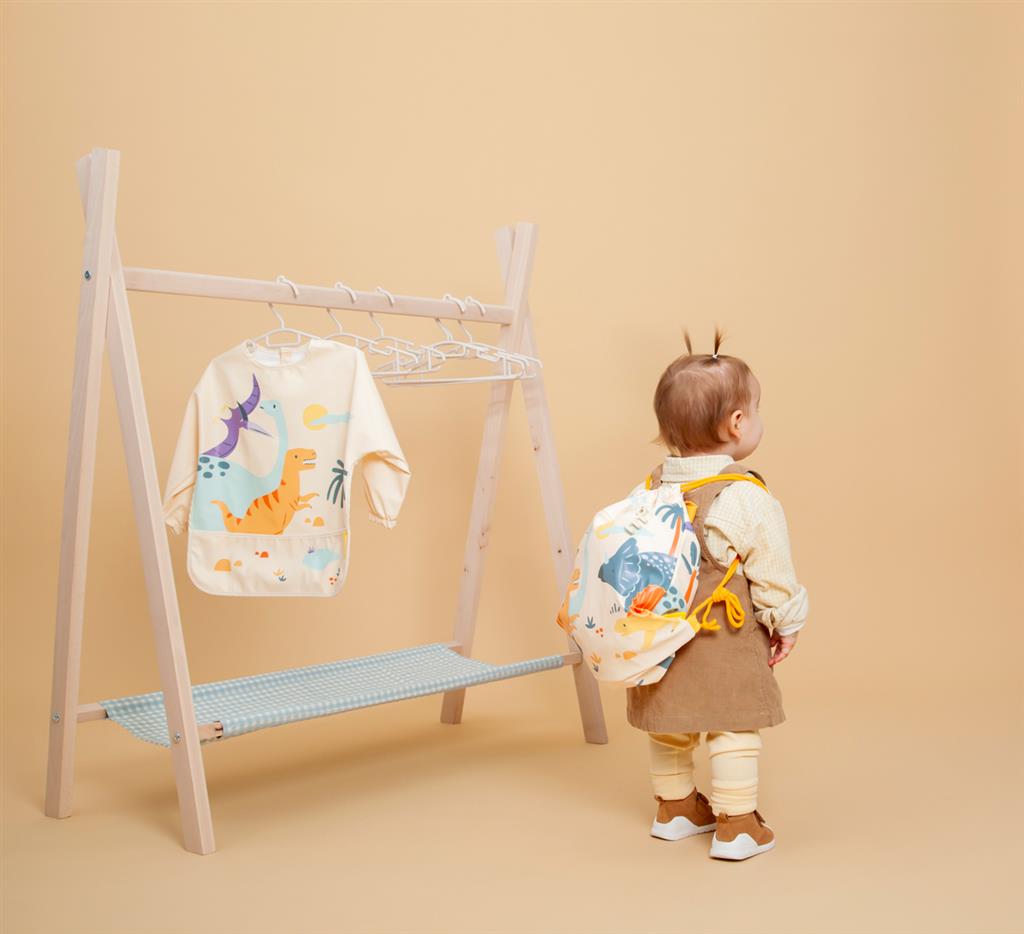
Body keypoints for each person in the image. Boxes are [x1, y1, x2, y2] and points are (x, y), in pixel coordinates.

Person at [627, 328, 808, 861]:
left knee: (670, 725)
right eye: (757, 409)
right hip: (721, 638)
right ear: (737, 423)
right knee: (733, 725)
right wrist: (785, 622)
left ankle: (675, 809)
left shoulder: (649, 489)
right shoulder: (745, 498)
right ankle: (738, 825)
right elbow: (772, 573)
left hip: (658, 638)